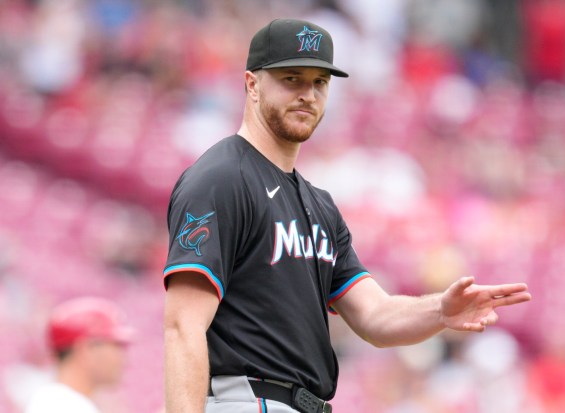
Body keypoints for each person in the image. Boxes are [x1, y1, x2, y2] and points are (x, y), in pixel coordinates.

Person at [163, 18, 532, 413]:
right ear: (252, 85)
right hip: (244, 399)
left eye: (319, 82)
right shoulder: (221, 178)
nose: (308, 94)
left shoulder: (319, 205)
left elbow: (374, 316)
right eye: (292, 78)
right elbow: (184, 326)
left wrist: (439, 310)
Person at [25, 297, 133, 413]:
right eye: (116, 346)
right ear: (85, 351)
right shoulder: (60, 405)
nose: (124, 359)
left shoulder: (61, 402)